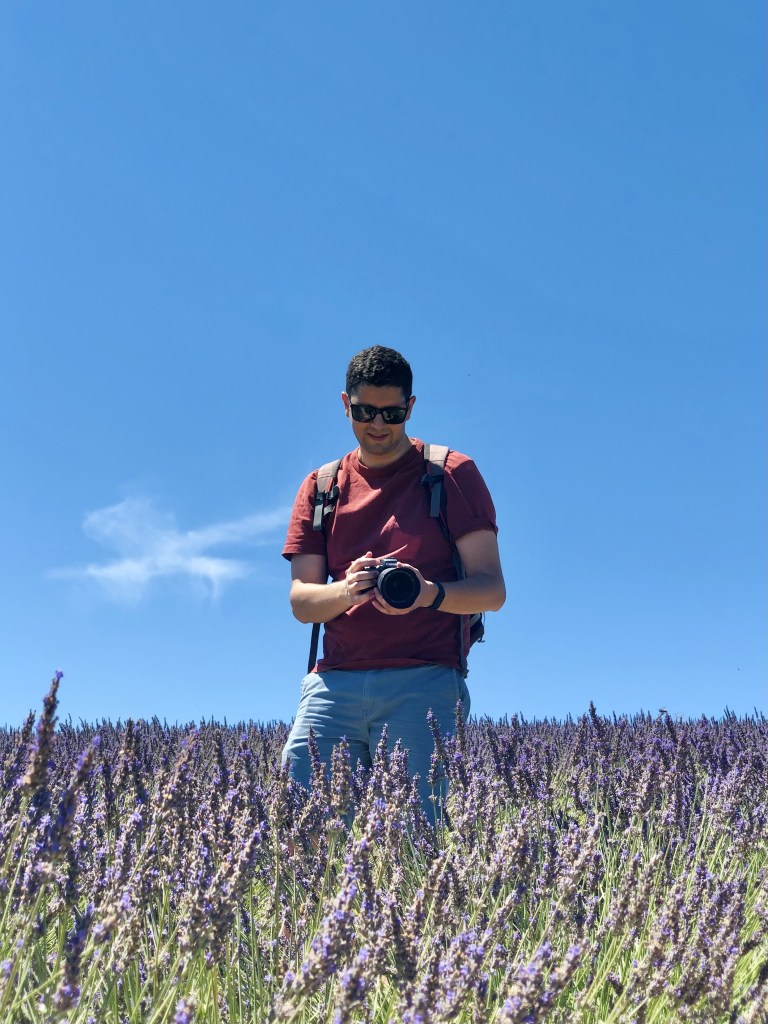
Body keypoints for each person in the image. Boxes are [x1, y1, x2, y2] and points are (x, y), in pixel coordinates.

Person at [281, 345, 505, 813]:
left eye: (392, 413)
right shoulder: (322, 487)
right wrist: (348, 589)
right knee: (303, 828)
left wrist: (428, 593)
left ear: (411, 407)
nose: (378, 424)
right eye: (365, 411)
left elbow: (491, 590)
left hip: (425, 683)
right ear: (345, 404)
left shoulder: (451, 473)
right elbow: (302, 602)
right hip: (334, 684)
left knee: (416, 838)